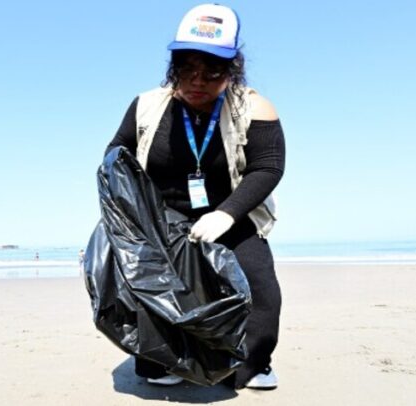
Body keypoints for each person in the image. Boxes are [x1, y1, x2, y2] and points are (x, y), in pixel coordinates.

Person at [105, 3, 284, 390]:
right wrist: (125, 220)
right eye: (187, 68)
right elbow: (115, 156)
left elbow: (267, 167)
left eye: (212, 71)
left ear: (232, 69)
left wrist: (227, 213)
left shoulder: (253, 107)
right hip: (161, 217)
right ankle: (160, 360)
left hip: (232, 215)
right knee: (146, 284)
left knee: (259, 286)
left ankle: (251, 363)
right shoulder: (147, 106)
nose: (197, 80)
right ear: (174, 66)